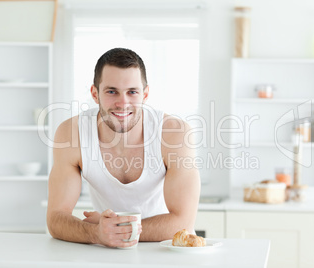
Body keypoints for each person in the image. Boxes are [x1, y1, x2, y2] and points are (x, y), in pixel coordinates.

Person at [47, 48, 201, 248]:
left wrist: (114, 230)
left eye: (132, 92)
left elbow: (183, 223)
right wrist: (96, 232)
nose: (123, 103)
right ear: (95, 94)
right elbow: (55, 219)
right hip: (107, 249)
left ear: (145, 94)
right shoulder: (71, 134)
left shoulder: (174, 133)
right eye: (112, 91)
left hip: (166, 250)